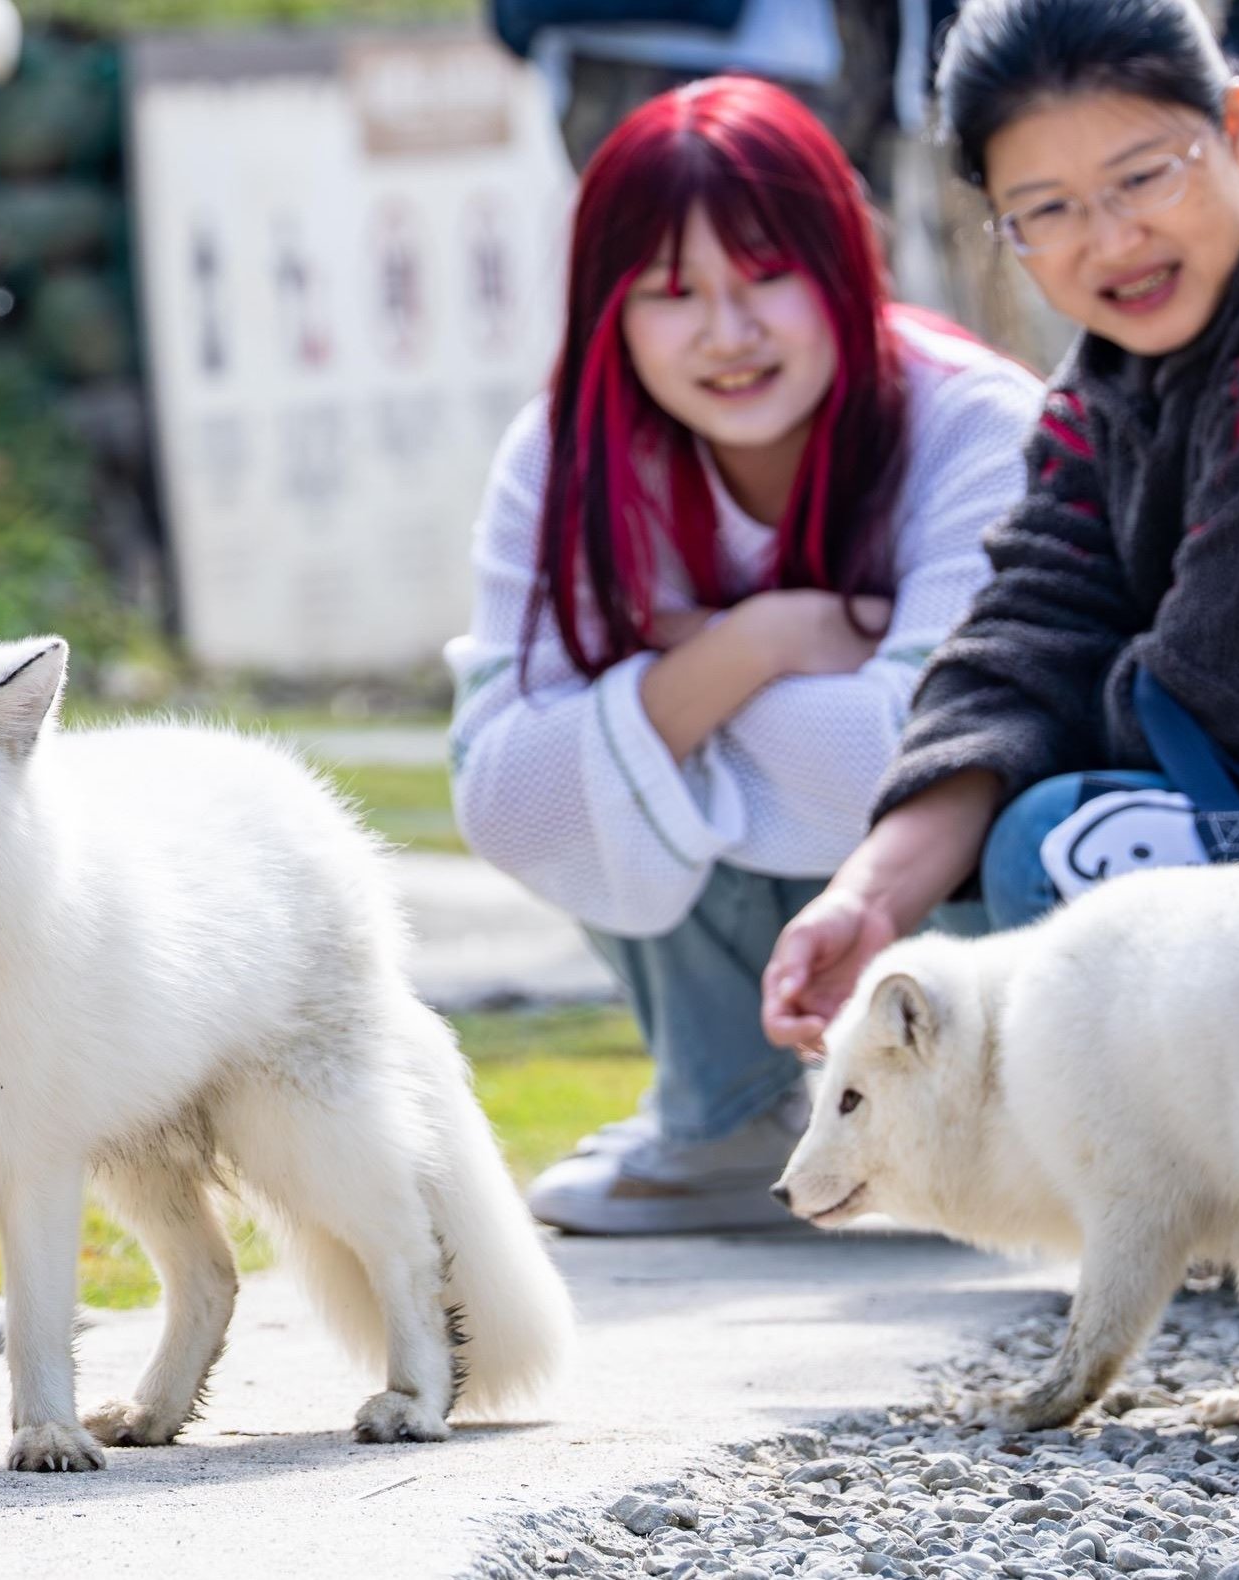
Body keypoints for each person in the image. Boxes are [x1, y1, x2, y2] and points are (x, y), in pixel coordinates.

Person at [446, 75, 1042, 1234]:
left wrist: (645, 709)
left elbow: (919, 754)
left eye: (768, 274)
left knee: (634, 767)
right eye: (672, 293)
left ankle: (964, 1146)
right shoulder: (566, 454)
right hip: (769, 867)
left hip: (959, 918)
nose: (728, 333)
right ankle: (722, 1124)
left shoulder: (976, 422)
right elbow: (505, 792)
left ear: (844, 265)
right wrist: (762, 640)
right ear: (607, 308)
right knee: (596, 783)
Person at [762, 0, 1239, 1054]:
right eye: (1046, 209)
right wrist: (871, 896)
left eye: (1145, 176)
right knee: (982, 849)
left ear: (1236, 125)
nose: (1111, 239)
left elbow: (1217, 695)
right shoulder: (1119, 357)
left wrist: (1042, 714)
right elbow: (1039, 602)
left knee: (1070, 846)